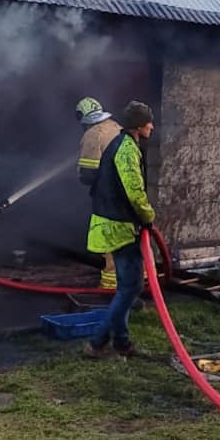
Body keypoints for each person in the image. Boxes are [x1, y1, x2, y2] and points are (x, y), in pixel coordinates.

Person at [83, 101, 157, 359]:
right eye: (148, 122)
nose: (152, 126)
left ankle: (121, 343)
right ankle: (97, 343)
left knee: (127, 287)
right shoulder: (126, 149)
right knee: (130, 287)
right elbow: (134, 192)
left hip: (114, 224)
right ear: (138, 125)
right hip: (117, 226)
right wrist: (148, 216)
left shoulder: (122, 143)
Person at [76, 97, 125, 289]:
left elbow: (88, 174)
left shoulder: (93, 134)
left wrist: (81, 176)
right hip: (130, 191)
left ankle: (111, 285)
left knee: (109, 237)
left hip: (109, 195)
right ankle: (139, 277)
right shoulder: (117, 127)